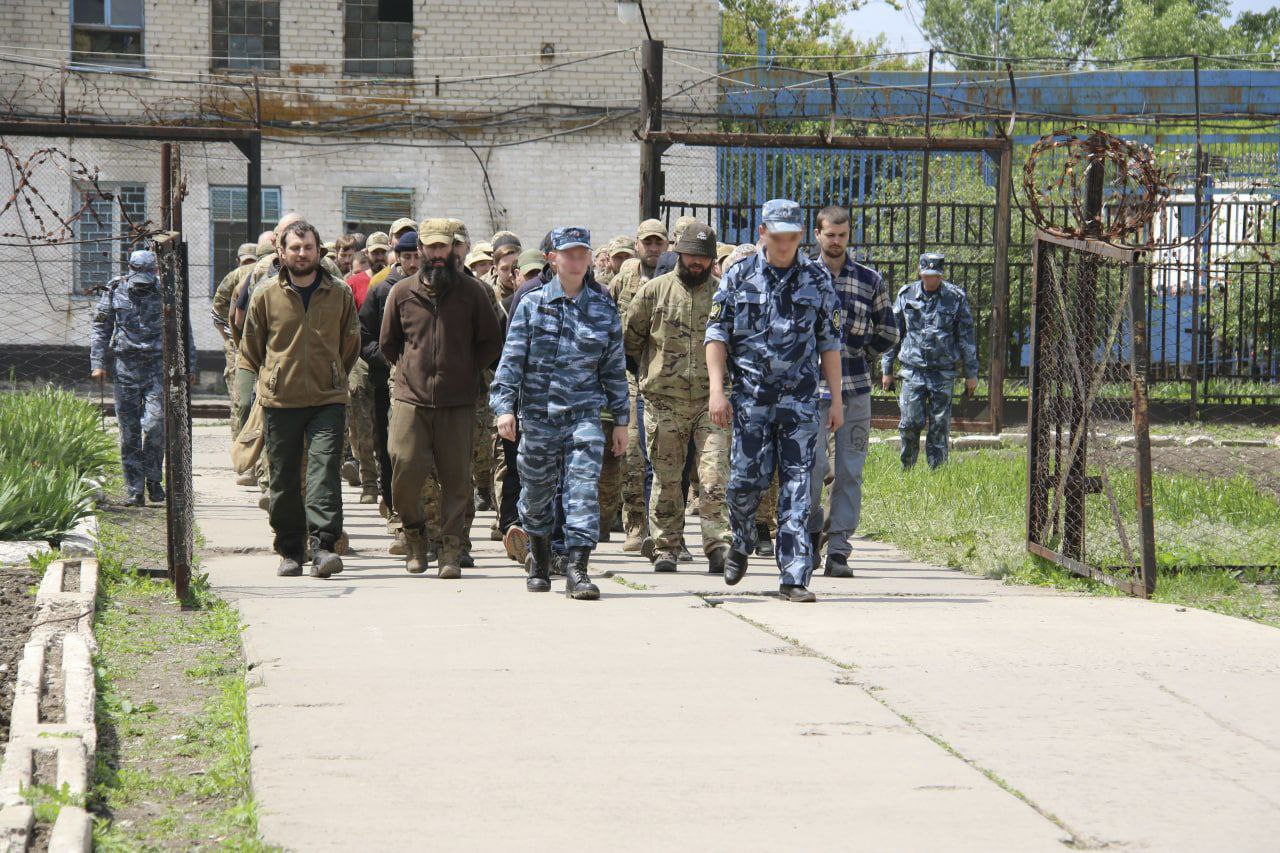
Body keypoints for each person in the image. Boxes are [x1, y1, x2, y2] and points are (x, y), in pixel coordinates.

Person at [705, 199, 844, 603]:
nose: (785, 245)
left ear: (801, 236)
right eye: (777, 237)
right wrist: (717, 389)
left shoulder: (817, 281)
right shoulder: (738, 276)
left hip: (800, 403)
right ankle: (743, 539)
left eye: (792, 238)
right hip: (751, 401)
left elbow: (830, 344)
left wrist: (835, 400)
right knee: (746, 482)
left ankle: (795, 575)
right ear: (762, 233)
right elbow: (716, 336)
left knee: (800, 484)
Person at [491, 227, 629, 599]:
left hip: (584, 416)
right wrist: (504, 408)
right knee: (536, 494)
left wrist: (621, 420)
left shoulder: (602, 307)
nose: (577, 259)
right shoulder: (532, 304)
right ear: (552, 258)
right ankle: (538, 557)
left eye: (583, 252)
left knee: (583, 490)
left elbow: (614, 369)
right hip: (538, 417)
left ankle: (577, 568)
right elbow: (511, 362)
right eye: (569, 253)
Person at [237, 221, 360, 578]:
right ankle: (291, 550)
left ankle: (323, 548)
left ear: (319, 250)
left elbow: (349, 345)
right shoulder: (265, 294)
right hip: (281, 402)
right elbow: (251, 350)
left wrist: (334, 375)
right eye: (295, 248)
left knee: (324, 476)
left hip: (327, 401)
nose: (302, 254)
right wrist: (253, 393)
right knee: (284, 481)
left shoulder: (338, 293)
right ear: (282, 253)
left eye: (308, 247)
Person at [381, 220, 502, 577]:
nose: (436, 255)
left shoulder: (474, 292)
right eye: (430, 248)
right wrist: (411, 370)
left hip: (458, 401)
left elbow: (491, 342)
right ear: (419, 249)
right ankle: (415, 536)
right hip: (410, 400)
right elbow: (389, 343)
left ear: (453, 249)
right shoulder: (401, 293)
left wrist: (464, 370)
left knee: (456, 480)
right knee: (403, 469)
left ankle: (450, 549)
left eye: (443, 248)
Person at [624, 221, 731, 573]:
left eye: (703, 258)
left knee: (714, 476)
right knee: (667, 478)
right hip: (663, 402)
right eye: (690, 256)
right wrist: (649, 377)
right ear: (678, 253)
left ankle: (718, 545)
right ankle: (666, 546)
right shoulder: (653, 292)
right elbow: (631, 340)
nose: (696, 263)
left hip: (710, 402)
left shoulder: (723, 294)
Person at [806, 206, 900, 578]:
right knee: (810, 468)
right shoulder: (802, 277)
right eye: (830, 235)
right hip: (810, 391)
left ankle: (839, 549)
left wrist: (861, 355)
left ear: (850, 236)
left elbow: (889, 330)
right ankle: (810, 537)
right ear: (817, 234)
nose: (836, 241)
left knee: (850, 471)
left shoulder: (869, 280)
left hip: (855, 388)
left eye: (842, 235)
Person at [91, 249, 194, 506]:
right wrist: (98, 363)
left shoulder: (167, 291)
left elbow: (184, 331)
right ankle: (134, 489)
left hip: (157, 367)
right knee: (129, 432)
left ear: (156, 272)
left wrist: (190, 367)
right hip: (126, 368)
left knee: (156, 424)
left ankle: (153, 479)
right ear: (130, 271)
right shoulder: (115, 289)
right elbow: (101, 328)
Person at [881, 252, 978, 469]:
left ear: (941, 275)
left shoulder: (956, 297)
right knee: (909, 423)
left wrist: (971, 374)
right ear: (919, 271)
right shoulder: (906, 295)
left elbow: (966, 337)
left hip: (943, 372)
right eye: (926, 275)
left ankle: (938, 471)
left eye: (935, 276)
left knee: (939, 426)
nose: (930, 280)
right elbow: (894, 334)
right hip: (912, 370)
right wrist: (887, 369)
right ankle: (907, 468)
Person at [609, 218, 669, 552]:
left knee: (663, 457)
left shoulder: (671, 279)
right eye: (648, 242)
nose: (653, 248)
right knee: (633, 455)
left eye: (659, 242)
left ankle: (662, 529)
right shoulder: (623, 280)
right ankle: (635, 526)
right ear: (637, 244)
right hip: (628, 376)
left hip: (662, 376)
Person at [211, 241, 260, 456]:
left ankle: (241, 455)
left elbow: (217, 312)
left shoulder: (233, 276)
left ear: (239, 259)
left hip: (238, 347)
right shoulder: (264, 272)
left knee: (239, 401)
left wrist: (229, 339)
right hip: (263, 345)